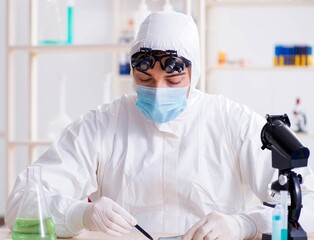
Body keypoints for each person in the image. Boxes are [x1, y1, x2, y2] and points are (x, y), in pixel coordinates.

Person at [5, 11, 314, 240]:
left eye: (173, 79)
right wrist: (80, 213)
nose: (159, 90)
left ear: (195, 73)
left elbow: (308, 202)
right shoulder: (103, 124)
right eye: (145, 80)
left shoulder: (233, 121)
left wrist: (244, 224)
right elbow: (22, 203)